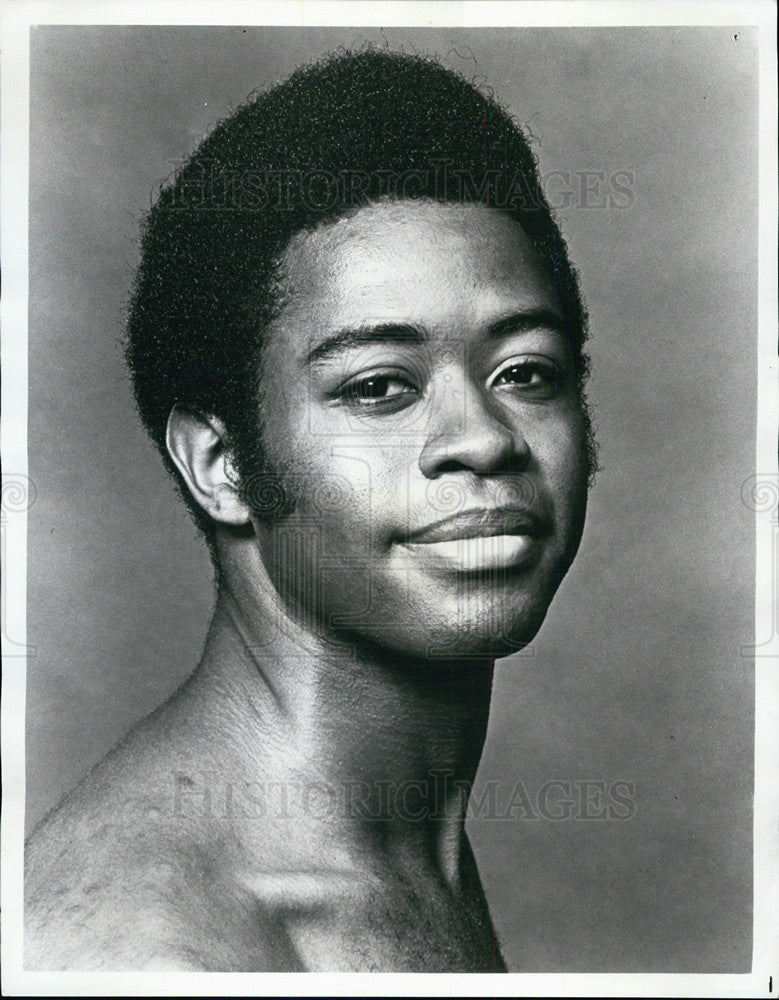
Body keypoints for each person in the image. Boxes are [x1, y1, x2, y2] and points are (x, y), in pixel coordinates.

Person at [24, 48, 596, 971]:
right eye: (377, 387)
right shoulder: (151, 953)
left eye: (524, 372)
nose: (483, 438)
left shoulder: (391, 851)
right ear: (222, 465)